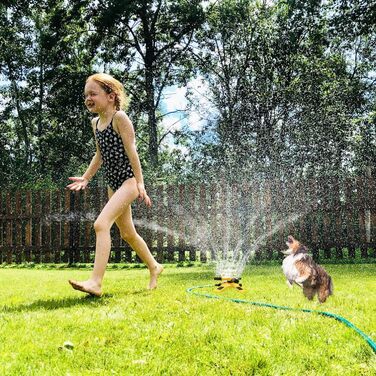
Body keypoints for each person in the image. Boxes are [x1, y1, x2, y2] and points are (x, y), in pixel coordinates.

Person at [67, 73, 163, 296]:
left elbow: (133, 153)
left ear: (110, 96)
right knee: (128, 233)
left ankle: (95, 282)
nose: (88, 98)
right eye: (86, 95)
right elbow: (99, 155)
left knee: (101, 224)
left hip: (128, 182)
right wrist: (86, 177)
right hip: (114, 184)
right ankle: (155, 266)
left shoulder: (120, 118)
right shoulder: (95, 123)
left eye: (93, 93)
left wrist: (140, 184)